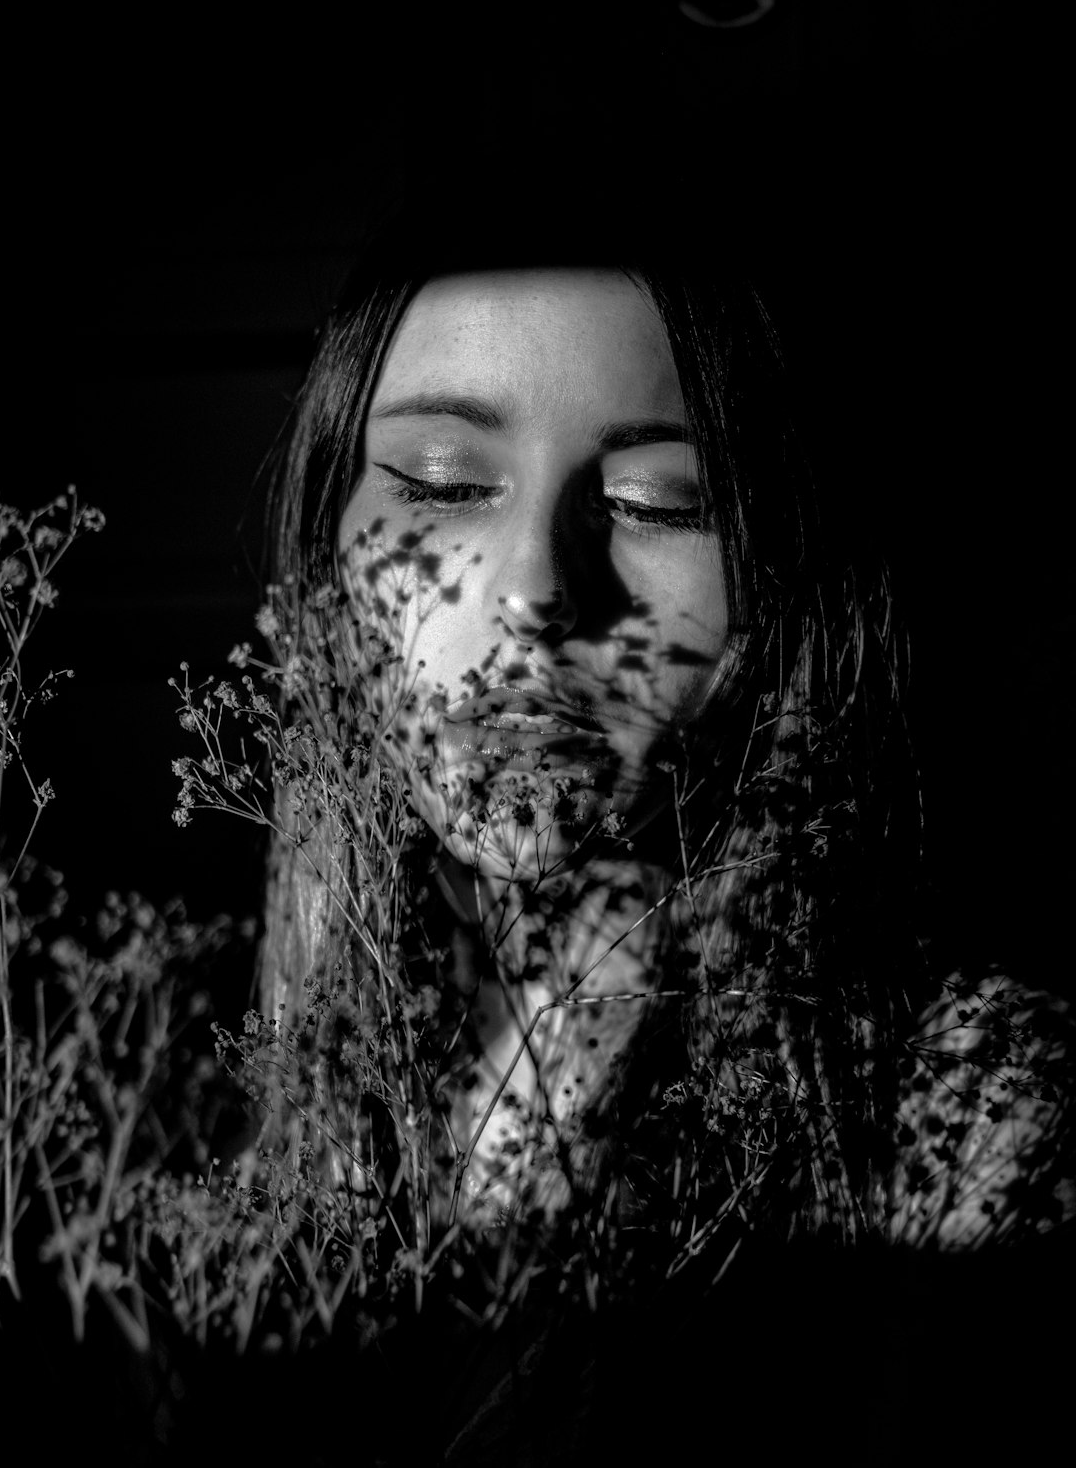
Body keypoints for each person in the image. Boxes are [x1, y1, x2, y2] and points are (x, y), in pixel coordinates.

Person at [252, 181, 1070, 1304]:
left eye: (656, 501)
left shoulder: (958, 1105)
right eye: (442, 484)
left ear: (778, 574)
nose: (536, 590)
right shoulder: (233, 1058)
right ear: (328, 538)